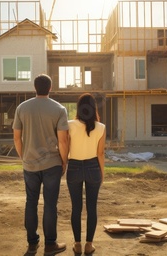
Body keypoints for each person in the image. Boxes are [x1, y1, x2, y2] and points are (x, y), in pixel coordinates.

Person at [12, 74, 69, 255]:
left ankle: (32, 242)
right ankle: (50, 244)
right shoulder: (59, 109)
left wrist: (24, 157)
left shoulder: (22, 108)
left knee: (31, 202)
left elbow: (16, 137)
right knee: (50, 204)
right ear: (50, 88)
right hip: (52, 163)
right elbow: (63, 141)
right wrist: (64, 161)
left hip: (30, 164)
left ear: (35, 87)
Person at [66, 93, 106, 255]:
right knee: (92, 207)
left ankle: (77, 244)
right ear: (94, 108)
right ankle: (89, 244)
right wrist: (102, 173)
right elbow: (101, 154)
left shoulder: (69, 125)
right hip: (93, 167)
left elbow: (65, 147)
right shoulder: (101, 127)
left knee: (76, 207)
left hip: (74, 166)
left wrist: (64, 164)